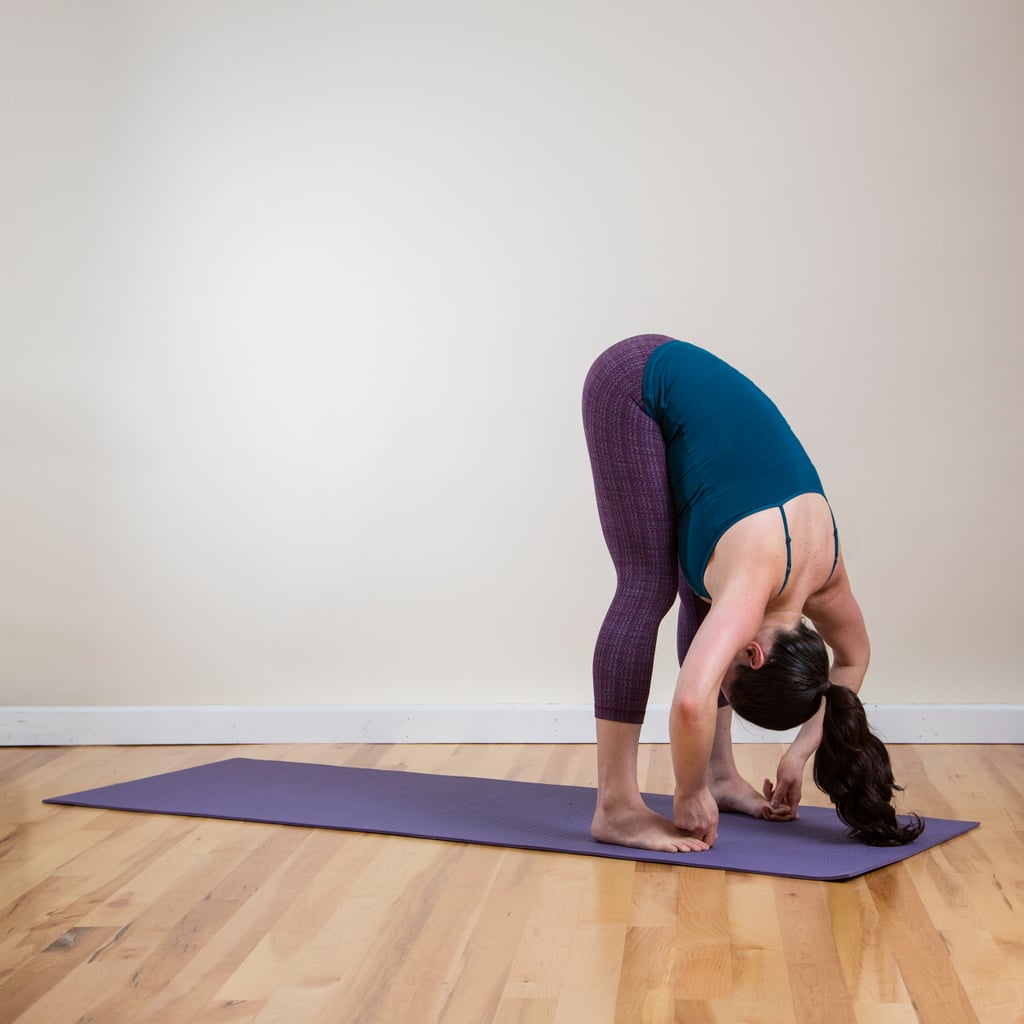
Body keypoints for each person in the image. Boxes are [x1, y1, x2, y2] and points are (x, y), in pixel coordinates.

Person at [581, 334, 923, 852]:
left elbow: (851, 663)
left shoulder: (823, 578)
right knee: (646, 587)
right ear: (754, 653)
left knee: (701, 594)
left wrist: (797, 754)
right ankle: (615, 806)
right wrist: (687, 792)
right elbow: (692, 703)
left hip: (695, 416)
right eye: (730, 676)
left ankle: (722, 775)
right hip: (633, 383)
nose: (719, 671)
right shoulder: (751, 590)